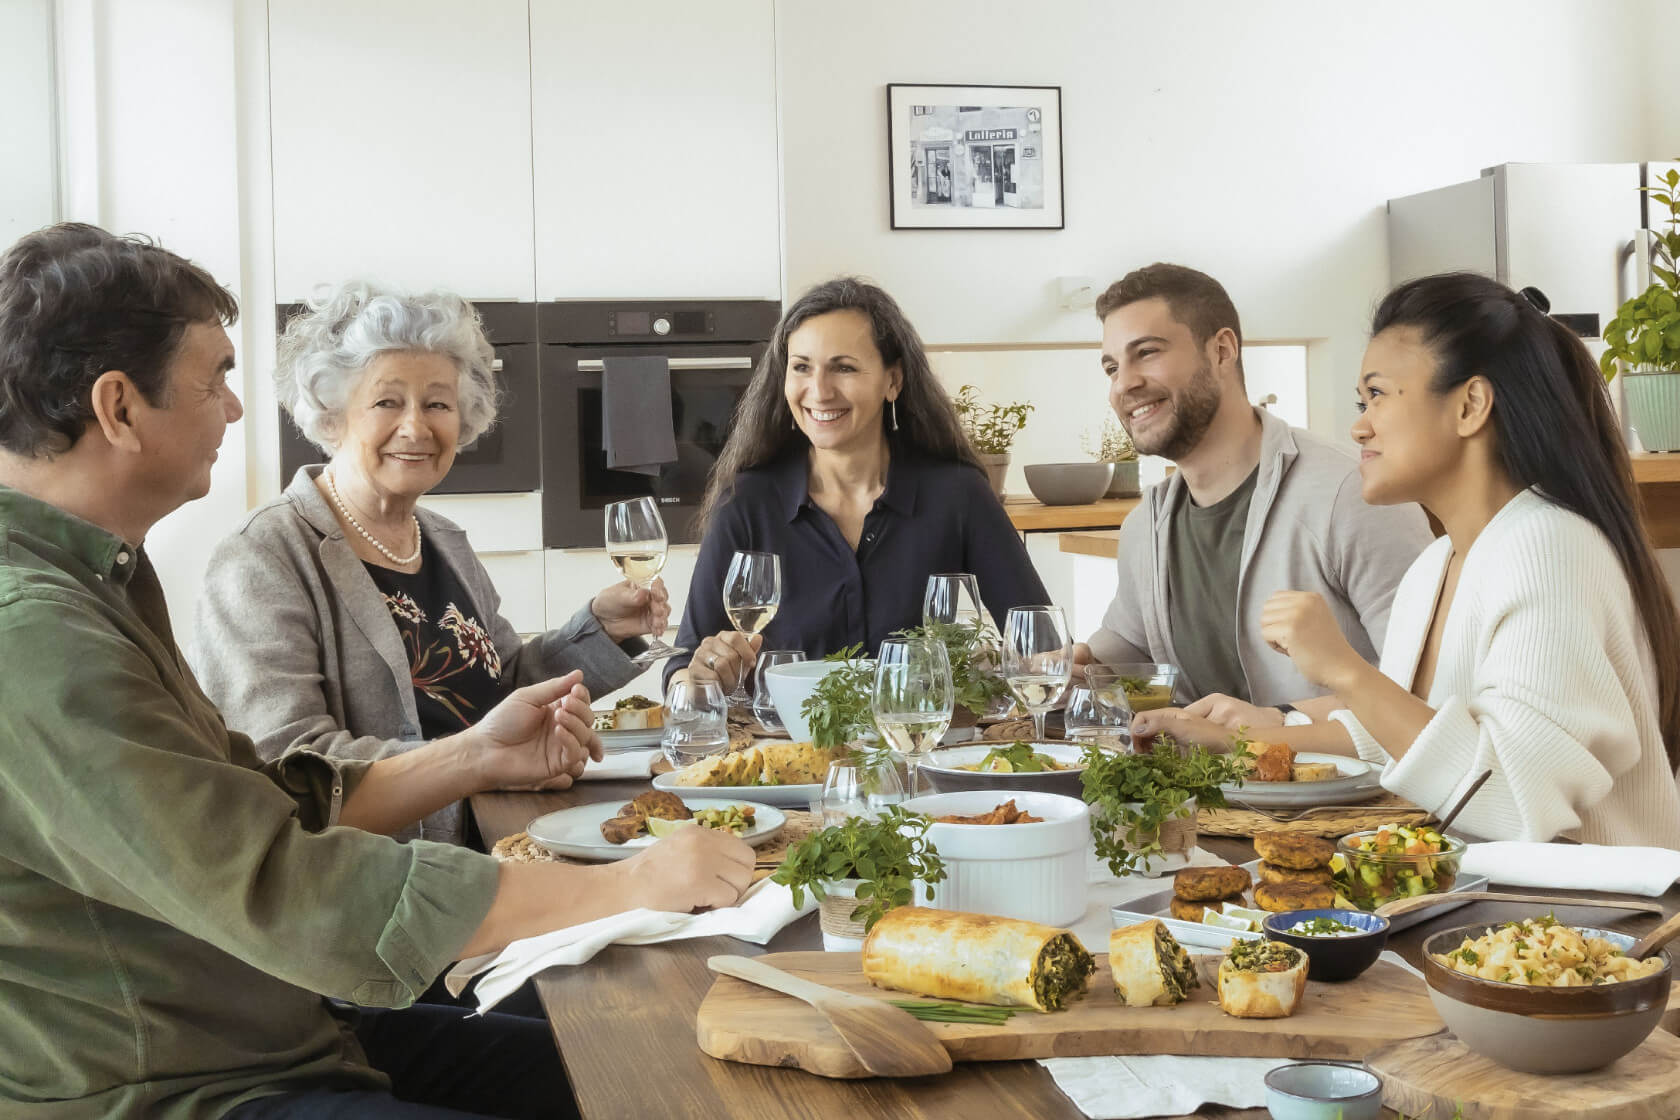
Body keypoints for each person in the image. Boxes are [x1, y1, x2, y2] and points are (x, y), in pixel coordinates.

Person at [0, 223, 754, 1119]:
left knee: (665, 1062)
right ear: (120, 407)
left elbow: (271, 792)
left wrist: (480, 753)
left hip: (289, 1027)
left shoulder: (93, 583)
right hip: (185, 1081)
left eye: (438, 403)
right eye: (216, 378)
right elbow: (282, 880)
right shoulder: (38, 633)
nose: (237, 410)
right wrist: (627, 884)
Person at [192, 281, 669, 844]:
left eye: (437, 403)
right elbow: (286, 769)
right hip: (390, 880)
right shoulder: (263, 557)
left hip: (504, 838)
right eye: (387, 401)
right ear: (332, 415)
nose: (416, 427)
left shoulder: (441, 538)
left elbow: (503, 685)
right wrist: (480, 761)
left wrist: (601, 630)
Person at [1244, 273, 1680, 844]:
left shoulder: (1551, 548)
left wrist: (1341, 667)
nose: (1359, 424)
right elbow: (1408, 739)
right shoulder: (1437, 565)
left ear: (1470, 405)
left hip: (1593, 925)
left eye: (1377, 394)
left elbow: (1509, 803)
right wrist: (1237, 744)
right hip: (1490, 919)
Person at [1071, 263, 1434, 739]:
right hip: (1211, 807)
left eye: (1147, 353)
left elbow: (1424, 689)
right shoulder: (1147, 524)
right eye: (1113, 367)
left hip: (1346, 805)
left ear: (1222, 350)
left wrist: (1281, 721)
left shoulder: (1352, 491)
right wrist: (1079, 666)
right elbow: (1130, 642)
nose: (1124, 384)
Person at [668, 277, 1048, 694]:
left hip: (925, 748)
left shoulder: (957, 495)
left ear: (893, 381)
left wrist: (1007, 669)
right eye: (802, 367)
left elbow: (1039, 642)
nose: (819, 390)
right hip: (784, 756)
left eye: (843, 367)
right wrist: (699, 676)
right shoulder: (747, 503)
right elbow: (684, 668)